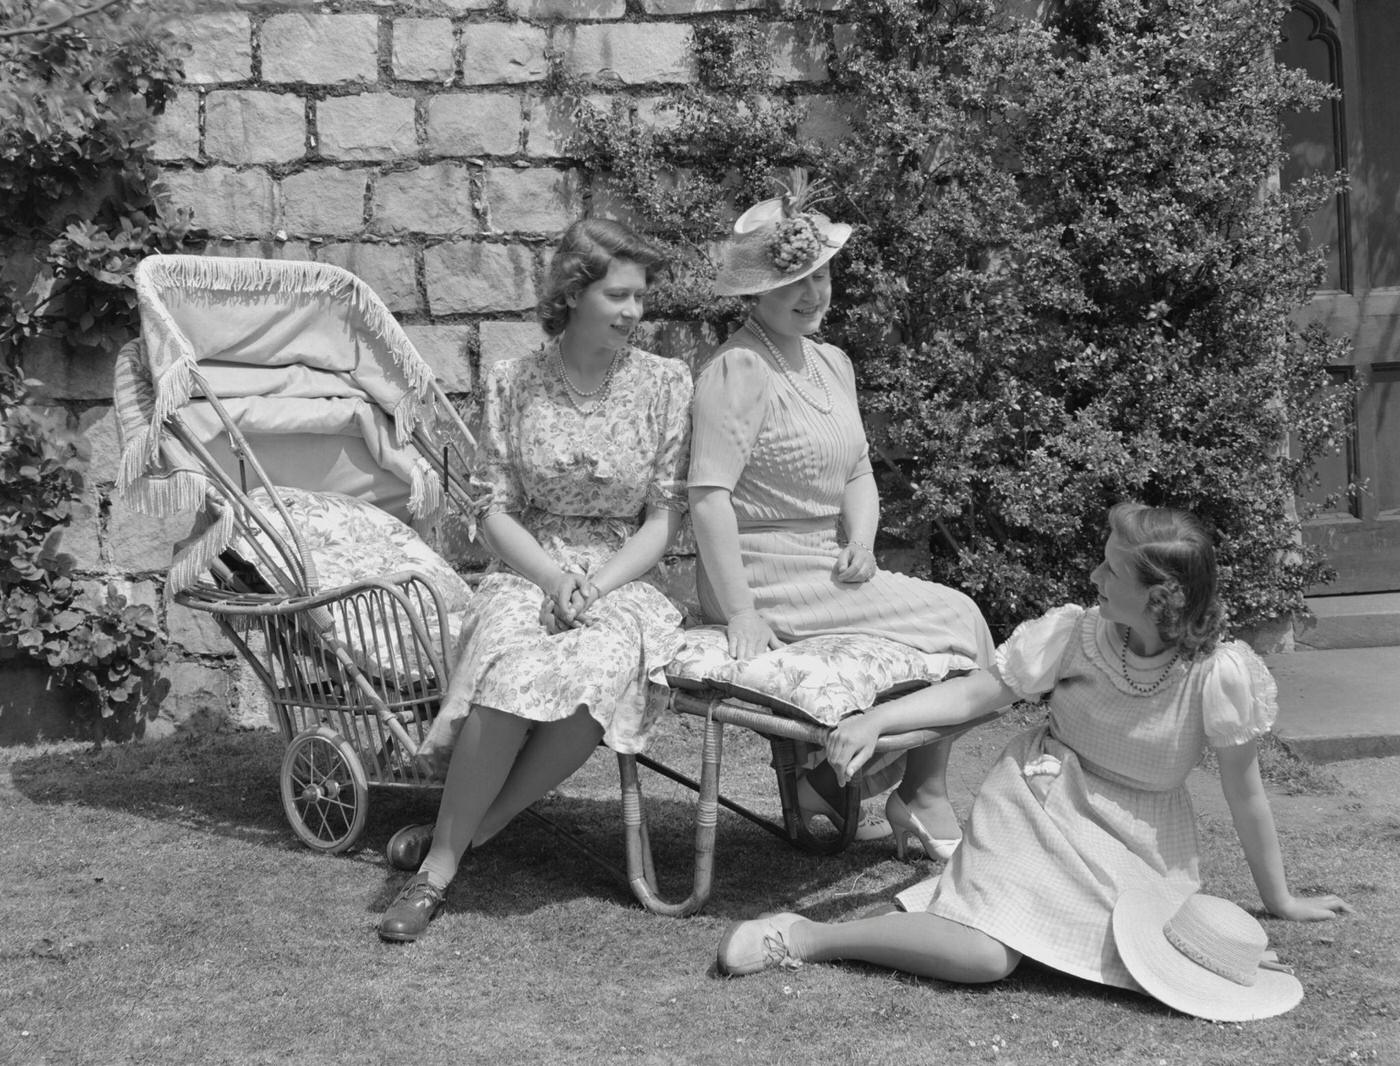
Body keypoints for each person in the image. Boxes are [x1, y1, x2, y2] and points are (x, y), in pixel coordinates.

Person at [715, 503, 1351, 1006]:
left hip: (1143, 840)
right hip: (1040, 798)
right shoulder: (1075, 634)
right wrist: (875, 719)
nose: (1094, 577)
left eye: (1111, 571)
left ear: (1162, 598)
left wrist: (1281, 899)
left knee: (1144, 959)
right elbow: (976, 693)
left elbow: (1246, 796)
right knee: (987, 957)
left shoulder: (1220, 676)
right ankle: (806, 935)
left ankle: (959, 900)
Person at [376, 219, 692, 943]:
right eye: (618, 296)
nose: (634, 312)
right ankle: (433, 876)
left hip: (620, 575)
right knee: (511, 670)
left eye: (640, 297)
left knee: (599, 673)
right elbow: (493, 510)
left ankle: (471, 834)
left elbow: (663, 517)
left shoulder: (666, 383)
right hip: (528, 566)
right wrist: (552, 579)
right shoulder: (512, 380)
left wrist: (596, 586)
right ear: (574, 292)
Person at [688, 173, 995, 847]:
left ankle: (865, 783)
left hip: (826, 562)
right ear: (756, 292)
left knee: (962, 627)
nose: (812, 294)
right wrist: (740, 611)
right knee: (960, 620)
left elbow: (857, 469)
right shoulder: (740, 369)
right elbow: (708, 499)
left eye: (820, 276)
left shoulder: (833, 363)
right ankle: (911, 793)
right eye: (793, 283)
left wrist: (861, 538)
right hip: (761, 573)